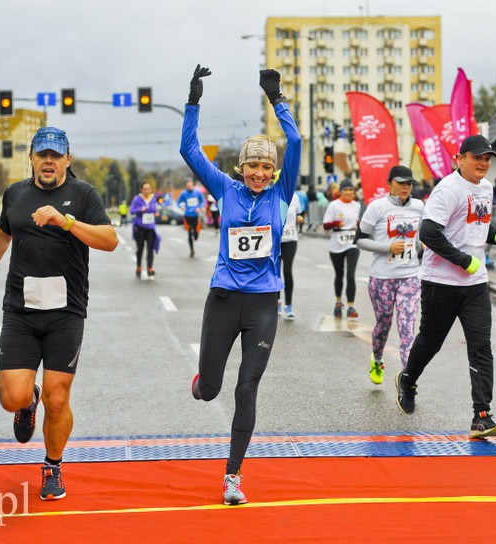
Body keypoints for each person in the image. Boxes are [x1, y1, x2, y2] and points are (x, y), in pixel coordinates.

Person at [0, 127, 118, 500]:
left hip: (66, 312)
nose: (49, 161)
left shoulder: (83, 195)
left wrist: (66, 222)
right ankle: (27, 402)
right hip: (21, 310)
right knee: (10, 397)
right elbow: (2, 234)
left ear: (67, 159)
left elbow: (110, 241)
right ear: (30, 157)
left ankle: (52, 466)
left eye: (56, 155)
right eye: (42, 154)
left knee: (58, 398)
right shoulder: (15, 193)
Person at [180, 65, 301, 505]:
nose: (259, 172)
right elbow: (188, 150)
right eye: (252, 164)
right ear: (241, 166)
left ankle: (233, 476)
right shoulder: (225, 188)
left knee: (246, 387)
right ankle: (200, 382)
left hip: (264, 304)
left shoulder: (281, 193)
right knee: (210, 390)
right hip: (224, 300)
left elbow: (298, 143)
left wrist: (277, 98)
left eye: (266, 166)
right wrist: (193, 101)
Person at [395, 135, 496, 439]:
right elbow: (429, 232)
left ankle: (482, 416)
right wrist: (462, 260)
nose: (483, 164)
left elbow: (477, 224)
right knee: (431, 342)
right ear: (460, 159)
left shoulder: (486, 188)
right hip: (441, 282)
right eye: (477, 158)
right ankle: (408, 379)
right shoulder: (447, 189)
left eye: (487, 159)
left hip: (475, 284)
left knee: (481, 346)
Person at [356, 165, 424, 385]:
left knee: (407, 327)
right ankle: (377, 358)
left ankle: (408, 379)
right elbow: (359, 240)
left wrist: (419, 248)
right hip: (382, 278)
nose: (406, 187)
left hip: (410, 275)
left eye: (409, 183)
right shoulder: (377, 207)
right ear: (390, 183)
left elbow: (423, 237)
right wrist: (387, 248)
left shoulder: (419, 206)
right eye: (401, 183)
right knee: (383, 326)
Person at [323, 179, 361, 318]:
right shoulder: (333, 205)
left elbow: (356, 222)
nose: (349, 192)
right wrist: (336, 223)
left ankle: (351, 306)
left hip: (352, 242)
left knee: (350, 274)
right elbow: (325, 225)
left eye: (351, 190)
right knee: (339, 274)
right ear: (341, 191)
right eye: (346, 190)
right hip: (337, 242)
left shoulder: (356, 205)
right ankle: (338, 302)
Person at [278, 190, 303, 319]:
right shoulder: (273, 194)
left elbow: (299, 213)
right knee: (275, 271)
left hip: (290, 240)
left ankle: (289, 305)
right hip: (274, 241)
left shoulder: (295, 197)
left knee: (287, 270)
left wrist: (299, 218)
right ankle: (276, 301)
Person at [130, 180, 160, 279]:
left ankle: (150, 268)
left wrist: (156, 213)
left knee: (150, 249)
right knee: (140, 248)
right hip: (140, 227)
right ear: (141, 190)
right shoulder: (137, 199)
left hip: (150, 227)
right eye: (145, 189)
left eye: (149, 189)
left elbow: (154, 209)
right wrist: (140, 210)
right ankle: (139, 266)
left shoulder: (153, 198)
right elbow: (131, 211)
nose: (147, 191)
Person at [177, 178, 205, 257]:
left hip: (195, 215)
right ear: (186, 184)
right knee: (189, 233)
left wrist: (200, 207)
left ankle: (196, 233)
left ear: (192, 183)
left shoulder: (197, 192)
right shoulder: (183, 193)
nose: (189, 184)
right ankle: (192, 250)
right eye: (187, 183)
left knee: (195, 232)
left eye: (190, 183)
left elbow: (203, 200)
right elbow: (178, 202)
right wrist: (181, 207)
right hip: (187, 215)